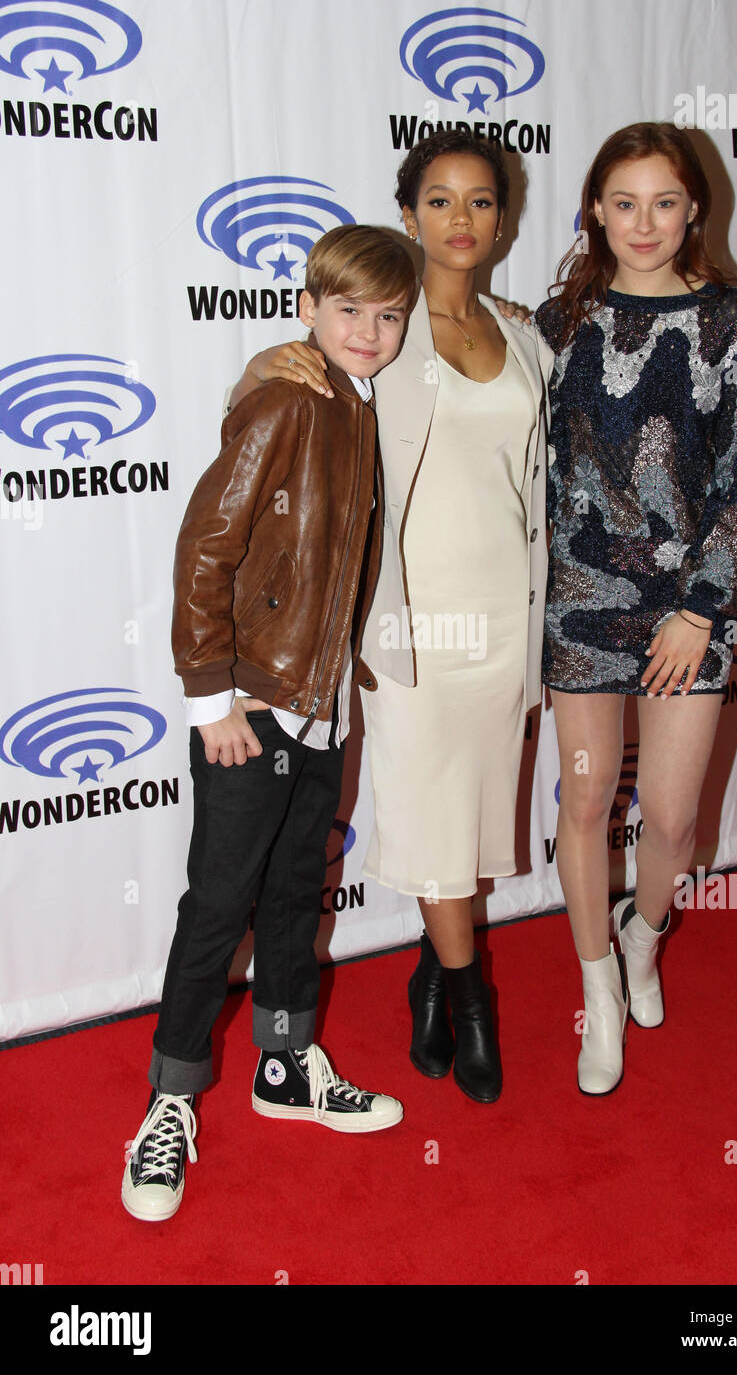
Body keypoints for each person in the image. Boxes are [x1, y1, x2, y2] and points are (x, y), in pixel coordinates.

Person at [231, 133, 553, 1104]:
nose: (460, 219)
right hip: (409, 626)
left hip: (507, 614)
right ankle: (467, 1000)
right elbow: (269, 391)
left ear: (502, 218)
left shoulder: (524, 333)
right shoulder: (380, 326)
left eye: (481, 201)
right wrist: (267, 364)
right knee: (432, 819)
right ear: (406, 212)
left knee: (464, 822)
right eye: (440, 200)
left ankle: (426, 970)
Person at [121, 225, 416, 1222]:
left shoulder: (357, 406)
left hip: (324, 705)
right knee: (218, 905)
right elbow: (205, 548)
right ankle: (168, 1099)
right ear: (306, 309)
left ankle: (285, 1066)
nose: (368, 331)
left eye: (387, 315)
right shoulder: (289, 399)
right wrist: (214, 698)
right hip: (254, 707)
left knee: (295, 897)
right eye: (347, 312)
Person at [535, 122, 737, 1094]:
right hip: (577, 606)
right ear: (594, 207)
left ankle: (644, 928)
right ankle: (595, 992)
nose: (643, 223)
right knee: (587, 799)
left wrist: (702, 609)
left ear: (692, 212)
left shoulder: (736, 324)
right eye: (623, 202)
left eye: (663, 203)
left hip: (687, 612)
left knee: (672, 821)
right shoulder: (552, 325)